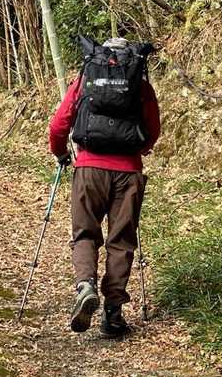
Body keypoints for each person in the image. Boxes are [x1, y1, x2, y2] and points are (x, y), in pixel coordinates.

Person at [47, 36, 161, 336]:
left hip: (89, 170)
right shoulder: (140, 84)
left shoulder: (86, 78)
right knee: (121, 241)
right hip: (129, 173)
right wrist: (138, 150)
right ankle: (113, 314)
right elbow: (153, 129)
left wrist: (61, 153)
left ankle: (86, 285)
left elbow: (58, 125)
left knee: (85, 233)